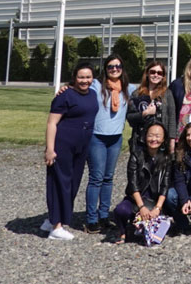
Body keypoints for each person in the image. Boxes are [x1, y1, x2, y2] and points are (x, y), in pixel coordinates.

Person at [42, 61, 99, 240]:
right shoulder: (65, 95)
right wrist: (50, 149)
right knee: (60, 183)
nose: (84, 80)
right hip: (63, 144)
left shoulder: (93, 94)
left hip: (81, 147)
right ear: (74, 77)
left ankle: (52, 219)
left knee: (73, 183)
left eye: (88, 77)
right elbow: (52, 123)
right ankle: (56, 227)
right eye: (81, 77)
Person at [85, 54, 137, 233]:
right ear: (105, 69)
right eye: (110, 67)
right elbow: (78, 87)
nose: (115, 69)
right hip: (97, 137)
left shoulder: (128, 89)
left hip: (115, 138)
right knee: (96, 178)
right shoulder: (96, 86)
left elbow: (149, 89)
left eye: (118, 66)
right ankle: (91, 219)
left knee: (108, 178)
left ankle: (104, 215)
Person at [112, 122, 170, 243]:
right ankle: (122, 231)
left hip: (155, 200)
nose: (154, 139)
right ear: (145, 137)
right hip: (136, 198)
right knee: (121, 210)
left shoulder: (166, 158)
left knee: (154, 235)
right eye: (151, 135)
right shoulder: (136, 156)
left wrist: (157, 208)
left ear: (164, 139)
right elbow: (133, 184)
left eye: (158, 136)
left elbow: (165, 185)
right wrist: (141, 207)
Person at [127, 60, 177, 153]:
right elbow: (130, 118)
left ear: (163, 76)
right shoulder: (137, 94)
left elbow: (172, 118)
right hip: (141, 140)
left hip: (160, 140)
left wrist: (172, 140)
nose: (156, 75)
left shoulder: (167, 94)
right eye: (153, 72)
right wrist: (145, 113)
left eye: (159, 73)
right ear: (147, 74)